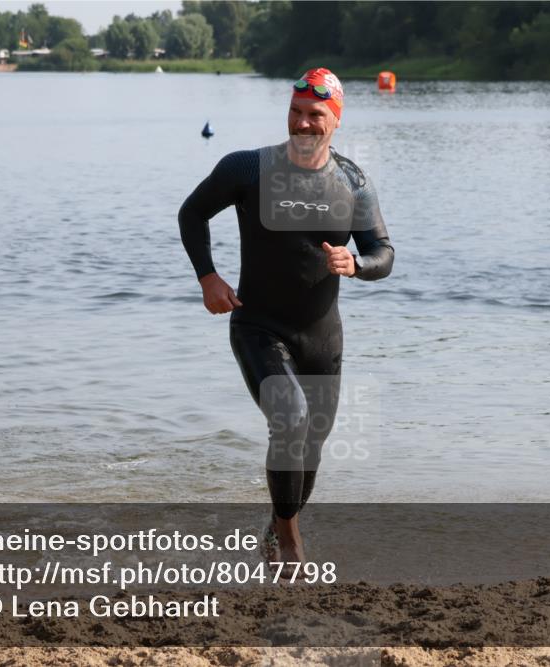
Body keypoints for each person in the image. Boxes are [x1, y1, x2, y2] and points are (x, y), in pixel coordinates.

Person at [178, 67, 394, 564]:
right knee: (290, 418)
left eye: (315, 115)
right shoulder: (248, 169)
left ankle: (277, 525)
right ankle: (289, 541)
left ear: (334, 120)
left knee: (312, 445)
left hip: (322, 337)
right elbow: (192, 214)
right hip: (259, 326)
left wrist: (356, 265)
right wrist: (208, 277)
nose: (302, 124)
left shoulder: (353, 184)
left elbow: (383, 252)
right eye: (295, 113)